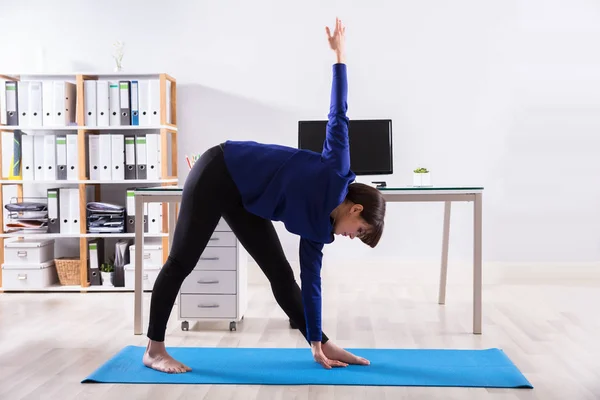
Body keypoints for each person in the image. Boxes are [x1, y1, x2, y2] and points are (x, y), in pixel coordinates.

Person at [142, 17, 386, 374]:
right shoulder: (336, 169)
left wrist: (318, 342)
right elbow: (339, 113)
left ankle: (326, 340)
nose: (353, 236)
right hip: (219, 170)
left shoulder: (319, 232)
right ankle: (154, 349)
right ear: (357, 208)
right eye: (360, 230)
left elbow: (311, 283)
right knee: (181, 262)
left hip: (246, 199)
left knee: (281, 274)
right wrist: (339, 56)